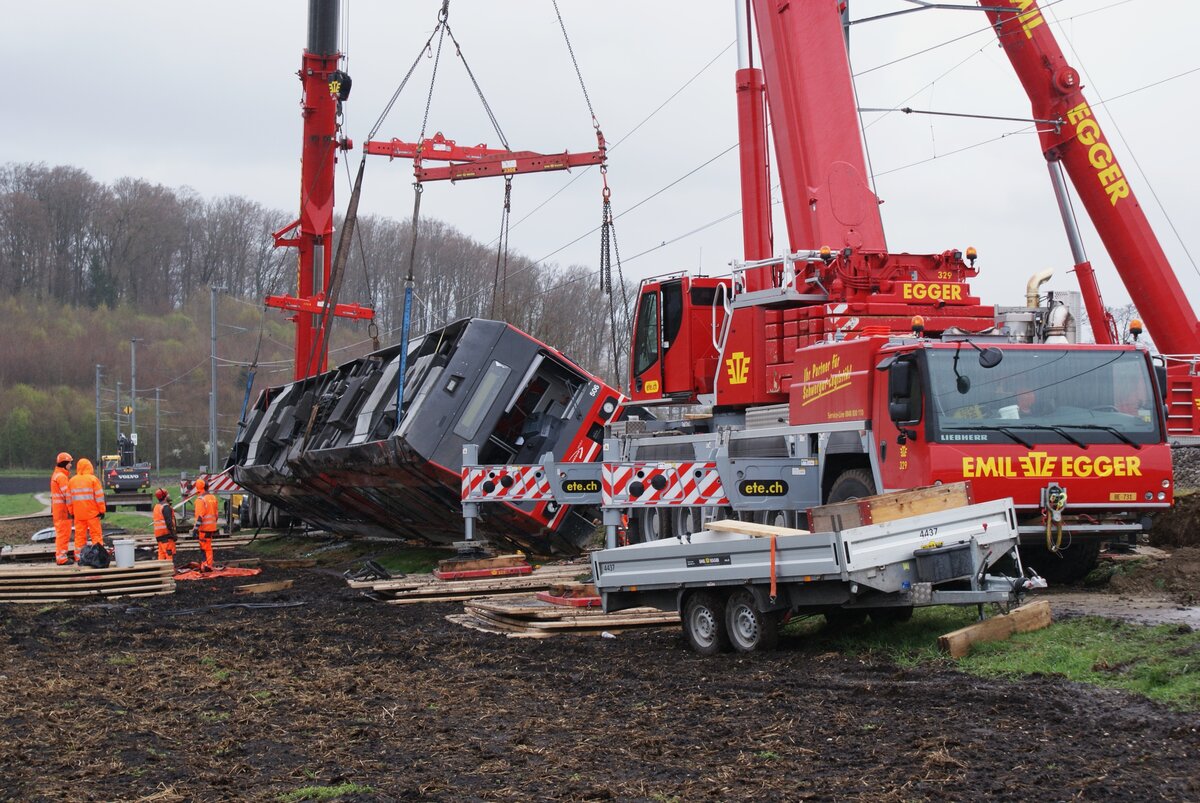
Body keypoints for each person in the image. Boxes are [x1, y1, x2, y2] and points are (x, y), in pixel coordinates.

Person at [67, 457, 106, 553]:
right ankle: (98, 555)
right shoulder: (93, 480)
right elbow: (99, 497)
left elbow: (69, 499)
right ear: (89, 467)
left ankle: (79, 557)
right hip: (93, 514)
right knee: (96, 535)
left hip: (78, 515)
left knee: (79, 536)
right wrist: (102, 511)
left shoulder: (72, 481)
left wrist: (72, 512)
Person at [50, 452, 74, 565]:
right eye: (69, 463)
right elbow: (68, 496)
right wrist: (72, 510)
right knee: (63, 535)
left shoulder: (57, 475)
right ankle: (61, 558)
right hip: (63, 511)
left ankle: (61, 556)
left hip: (58, 510)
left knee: (61, 534)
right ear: (64, 463)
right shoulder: (62, 477)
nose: (71, 465)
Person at [191, 478, 218, 570]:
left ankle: (206, 565)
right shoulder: (213, 498)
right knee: (208, 546)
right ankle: (208, 564)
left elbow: (199, 517)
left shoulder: (200, 499)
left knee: (204, 548)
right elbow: (216, 515)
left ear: (198, 487)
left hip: (204, 528)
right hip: (211, 527)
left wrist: (195, 529)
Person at [151, 488, 178, 563]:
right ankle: (170, 571)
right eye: (167, 494)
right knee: (169, 554)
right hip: (166, 535)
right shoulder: (165, 507)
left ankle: (161, 571)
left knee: (162, 554)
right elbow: (169, 522)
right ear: (165, 496)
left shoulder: (157, 507)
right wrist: (173, 535)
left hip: (159, 535)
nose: (169, 495)